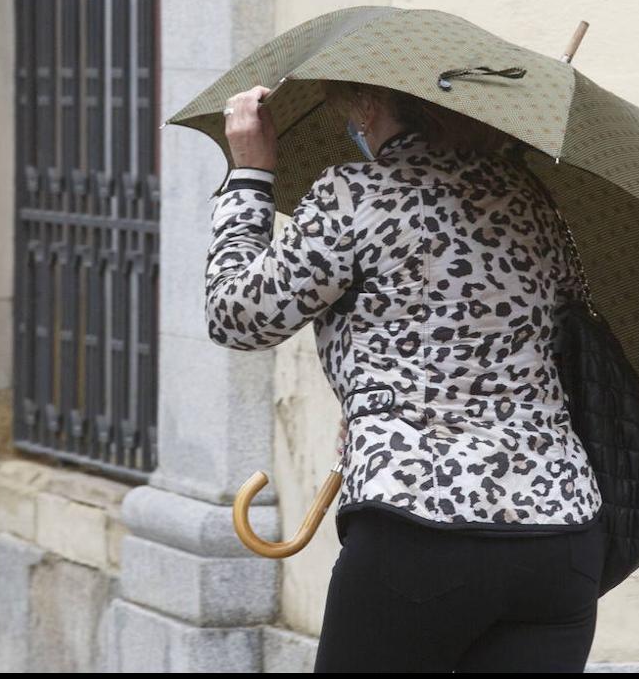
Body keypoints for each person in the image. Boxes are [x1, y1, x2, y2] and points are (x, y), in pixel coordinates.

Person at [205, 79, 607, 672]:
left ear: (369, 107)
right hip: (559, 535)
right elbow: (552, 338)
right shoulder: (534, 201)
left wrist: (250, 176)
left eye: (351, 110)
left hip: (420, 524)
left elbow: (238, 316)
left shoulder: (355, 192)